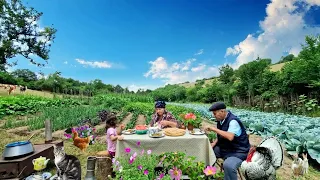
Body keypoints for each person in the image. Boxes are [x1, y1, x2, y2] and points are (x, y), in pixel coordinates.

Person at [204, 102, 250, 180]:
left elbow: (230, 136)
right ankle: (209, 176)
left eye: (215, 114)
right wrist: (213, 144)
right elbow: (221, 135)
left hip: (238, 151)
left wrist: (214, 129)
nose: (213, 116)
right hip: (226, 148)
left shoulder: (233, 121)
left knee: (228, 165)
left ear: (222, 111)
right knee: (207, 153)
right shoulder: (221, 120)